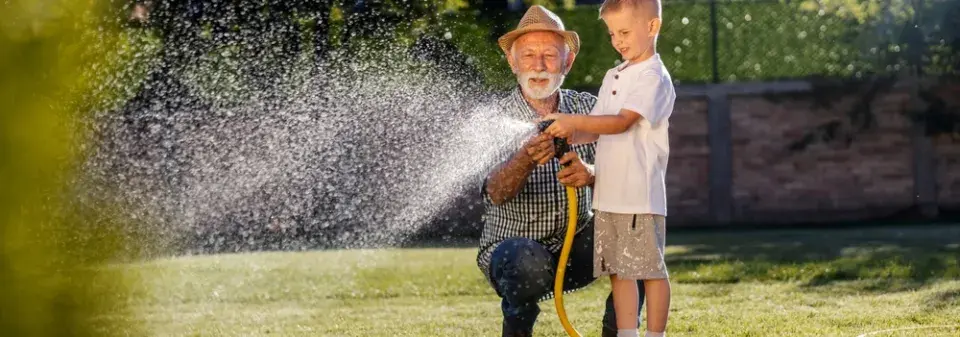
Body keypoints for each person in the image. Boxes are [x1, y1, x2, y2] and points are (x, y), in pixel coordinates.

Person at [476, 5, 645, 337]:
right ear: (512, 62)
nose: (539, 66)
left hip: (576, 248)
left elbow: (635, 170)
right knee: (524, 259)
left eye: (550, 56)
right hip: (513, 255)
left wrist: (593, 173)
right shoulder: (492, 120)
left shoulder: (588, 109)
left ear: (567, 62)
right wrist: (522, 161)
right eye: (528, 56)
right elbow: (495, 193)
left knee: (636, 225)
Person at [541, 1, 676, 336]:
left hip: (638, 197)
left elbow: (621, 122)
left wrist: (572, 119)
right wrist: (568, 131)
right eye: (612, 33)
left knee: (649, 271)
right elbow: (598, 127)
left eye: (625, 32)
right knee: (619, 271)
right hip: (609, 195)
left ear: (652, 28)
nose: (617, 40)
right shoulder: (613, 75)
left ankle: (655, 335)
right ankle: (627, 333)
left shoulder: (653, 77)